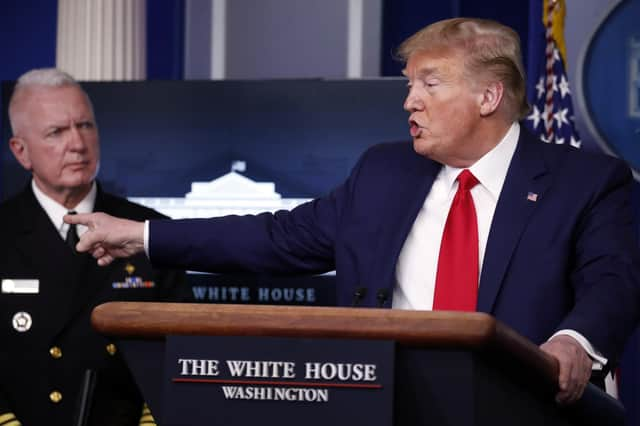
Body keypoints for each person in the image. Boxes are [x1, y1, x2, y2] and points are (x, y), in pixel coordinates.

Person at [67, 18, 640, 406]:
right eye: (409, 84)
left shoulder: (585, 182)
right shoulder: (384, 172)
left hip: (519, 411)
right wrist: (143, 237)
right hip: (386, 405)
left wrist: (574, 341)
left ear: (488, 97)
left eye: (429, 84)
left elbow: (611, 282)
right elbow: (277, 238)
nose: (409, 100)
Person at [0, 68, 185, 426]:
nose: (78, 144)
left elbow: (180, 352)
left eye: (85, 126)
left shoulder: (151, 231)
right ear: (21, 152)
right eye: (56, 132)